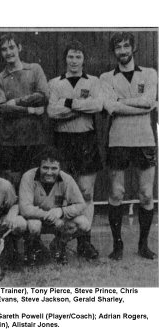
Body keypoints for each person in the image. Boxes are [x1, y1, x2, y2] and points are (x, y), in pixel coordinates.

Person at [100, 32, 158, 260]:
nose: (122, 51)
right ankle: (118, 245)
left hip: (144, 140)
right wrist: (143, 106)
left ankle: (143, 245)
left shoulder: (151, 74)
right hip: (118, 141)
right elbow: (111, 108)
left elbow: (149, 101)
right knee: (116, 193)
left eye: (126, 46)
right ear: (113, 51)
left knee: (146, 194)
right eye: (118, 47)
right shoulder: (106, 78)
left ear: (133, 48)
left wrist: (121, 102)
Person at [47, 40, 103, 260]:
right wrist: (81, 104)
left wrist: (67, 103)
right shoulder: (55, 83)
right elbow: (52, 112)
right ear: (65, 58)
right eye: (70, 56)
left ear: (84, 59)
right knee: (63, 194)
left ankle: (84, 241)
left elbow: (97, 106)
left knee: (86, 192)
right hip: (63, 141)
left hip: (86, 140)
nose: (74, 61)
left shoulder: (94, 81)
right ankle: (60, 241)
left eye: (78, 57)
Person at [0, 33, 50, 189]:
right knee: (13, 184)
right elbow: (2, 108)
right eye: (4, 49)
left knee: (35, 183)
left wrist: (17, 101)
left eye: (12, 47)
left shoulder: (35, 69)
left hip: (34, 137)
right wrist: (30, 110)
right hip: (10, 140)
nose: (8, 52)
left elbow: (44, 95)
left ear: (19, 48)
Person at [19, 147, 89, 265]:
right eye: (45, 167)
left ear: (60, 168)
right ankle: (33, 247)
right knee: (33, 226)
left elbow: (81, 205)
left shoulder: (66, 179)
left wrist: (61, 211)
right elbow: (25, 209)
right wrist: (48, 215)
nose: (49, 172)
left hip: (58, 220)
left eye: (54, 168)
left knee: (84, 224)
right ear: (39, 167)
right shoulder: (28, 177)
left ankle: (58, 245)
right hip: (36, 219)